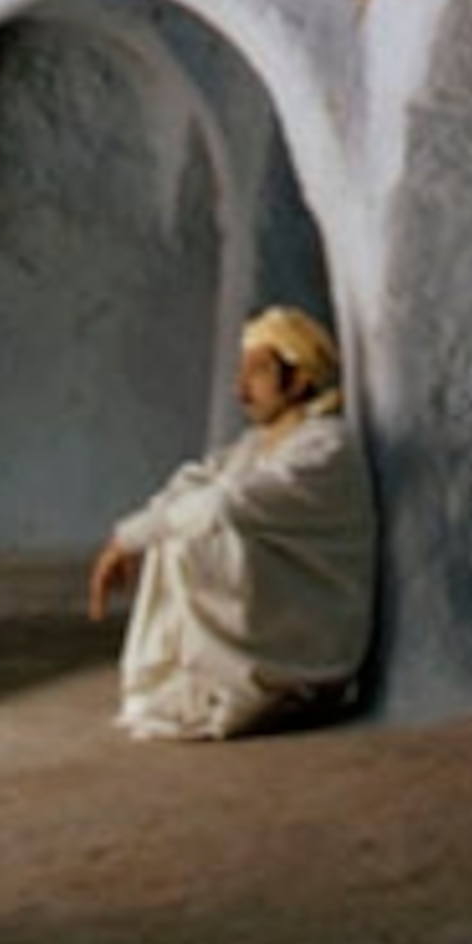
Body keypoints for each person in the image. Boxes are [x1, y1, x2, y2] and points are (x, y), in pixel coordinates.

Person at [87, 303, 377, 741]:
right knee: (177, 526)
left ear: (297, 377)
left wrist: (132, 540)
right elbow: (192, 484)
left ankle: (259, 686)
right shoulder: (255, 446)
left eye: (257, 372)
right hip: (273, 609)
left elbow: (226, 504)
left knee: (194, 538)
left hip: (313, 635)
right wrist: (122, 537)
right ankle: (204, 679)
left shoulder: (327, 448)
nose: (241, 389)